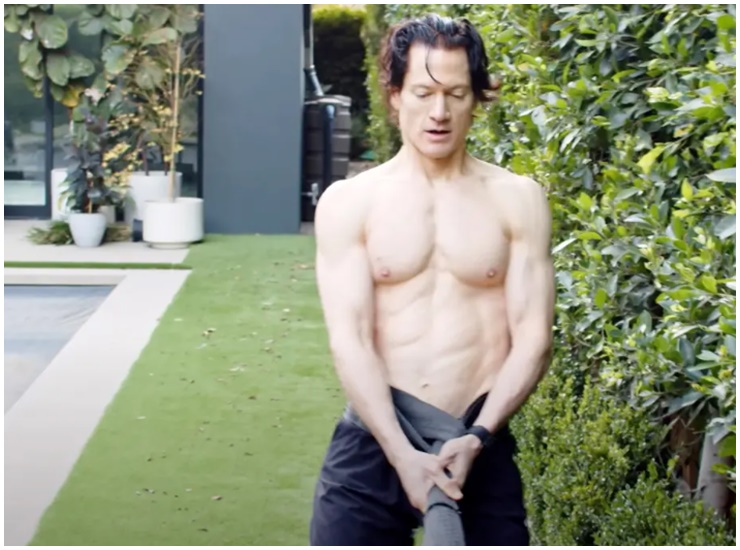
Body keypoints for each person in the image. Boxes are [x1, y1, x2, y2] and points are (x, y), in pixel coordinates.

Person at [309, 13, 555, 546]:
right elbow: (350, 340)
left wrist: (478, 437)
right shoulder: (350, 203)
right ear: (395, 95)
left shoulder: (517, 199)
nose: (439, 113)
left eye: (456, 94)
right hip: (376, 439)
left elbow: (534, 338)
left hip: (476, 439)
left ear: (477, 99)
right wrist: (401, 454)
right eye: (423, 93)